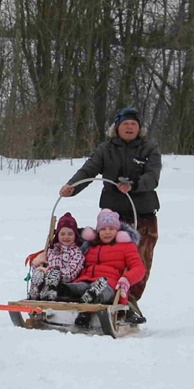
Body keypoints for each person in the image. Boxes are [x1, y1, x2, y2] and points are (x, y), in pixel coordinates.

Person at [58, 106, 161, 323]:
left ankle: (128, 303)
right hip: (112, 218)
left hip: (142, 216)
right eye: (125, 124)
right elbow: (89, 170)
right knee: (107, 260)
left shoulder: (149, 148)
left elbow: (153, 177)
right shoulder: (106, 149)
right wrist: (72, 187)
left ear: (140, 128)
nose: (130, 127)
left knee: (138, 262)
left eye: (134, 124)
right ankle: (97, 298)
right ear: (117, 128)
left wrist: (135, 185)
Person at [59, 209, 146, 317]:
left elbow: (139, 268)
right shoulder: (90, 246)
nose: (107, 232)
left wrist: (126, 280)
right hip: (86, 279)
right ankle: (63, 290)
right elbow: (66, 249)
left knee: (104, 291)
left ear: (118, 231)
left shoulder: (126, 246)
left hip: (110, 283)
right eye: (103, 229)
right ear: (98, 231)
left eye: (111, 229)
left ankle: (94, 296)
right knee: (78, 287)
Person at [28, 212, 85, 301]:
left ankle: (49, 291)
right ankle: (36, 291)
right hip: (45, 281)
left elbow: (70, 275)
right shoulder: (51, 251)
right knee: (39, 273)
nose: (66, 237)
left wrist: (49, 271)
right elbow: (41, 268)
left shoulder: (77, 253)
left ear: (75, 236)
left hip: (63, 285)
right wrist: (36, 265)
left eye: (70, 234)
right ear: (57, 235)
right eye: (62, 234)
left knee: (54, 274)